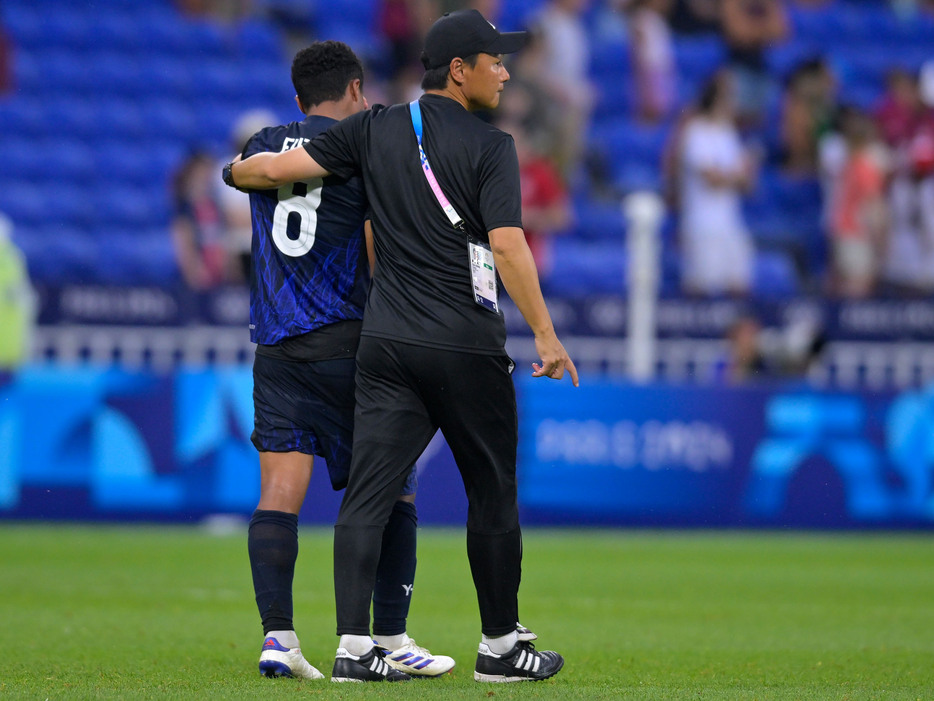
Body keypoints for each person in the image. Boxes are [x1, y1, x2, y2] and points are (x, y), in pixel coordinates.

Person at [225, 9, 577, 683]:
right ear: (458, 69)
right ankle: (499, 645)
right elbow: (506, 244)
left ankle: (354, 648)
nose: (505, 71)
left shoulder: (373, 127)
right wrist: (545, 332)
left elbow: (278, 167)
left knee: (365, 495)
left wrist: (231, 173)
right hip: (462, 342)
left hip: (381, 344)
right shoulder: (492, 145)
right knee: (491, 493)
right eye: (494, 60)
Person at [235, 41, 453, 680]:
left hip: (276, 346)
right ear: (357, 90)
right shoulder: (365, 145)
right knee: (394, 488)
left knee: (277, 493)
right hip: (350, 343)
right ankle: (389, 636)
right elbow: (376, 241)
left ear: (299, 99)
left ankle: (279, 639)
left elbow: (241, 176)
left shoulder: (262, 143)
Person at [676, 70, 759, 297]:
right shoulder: (696, 131)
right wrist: (736, 175)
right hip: (703, 222)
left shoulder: (729, 133)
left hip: (729, 220)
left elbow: (747, 184)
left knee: (739, 283)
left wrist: (738, 175)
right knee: (699, 286)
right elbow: (710, 179)